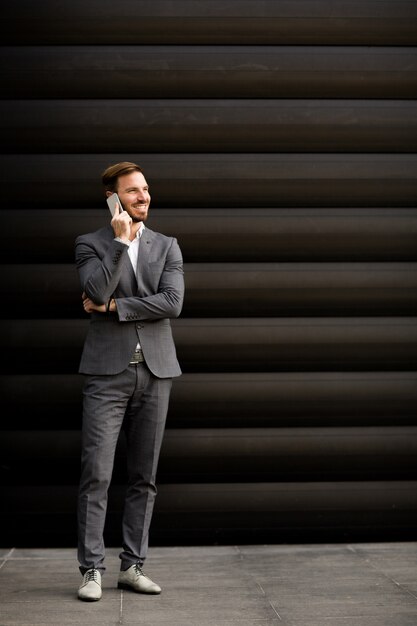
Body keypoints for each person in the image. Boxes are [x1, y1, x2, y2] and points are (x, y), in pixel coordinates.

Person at [75, 162, 184, 601]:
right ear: (113, 199)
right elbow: (95, 291)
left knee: (144, 477)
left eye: (146, 190)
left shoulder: (168, 245)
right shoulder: (91, 244)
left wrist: (117, 308)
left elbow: (173, 302)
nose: (144, 197)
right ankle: (92, 571)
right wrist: (120, 242)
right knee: (96, 474)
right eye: (134, 192)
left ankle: (133, 566)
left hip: (157, 371)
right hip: (106, 374)